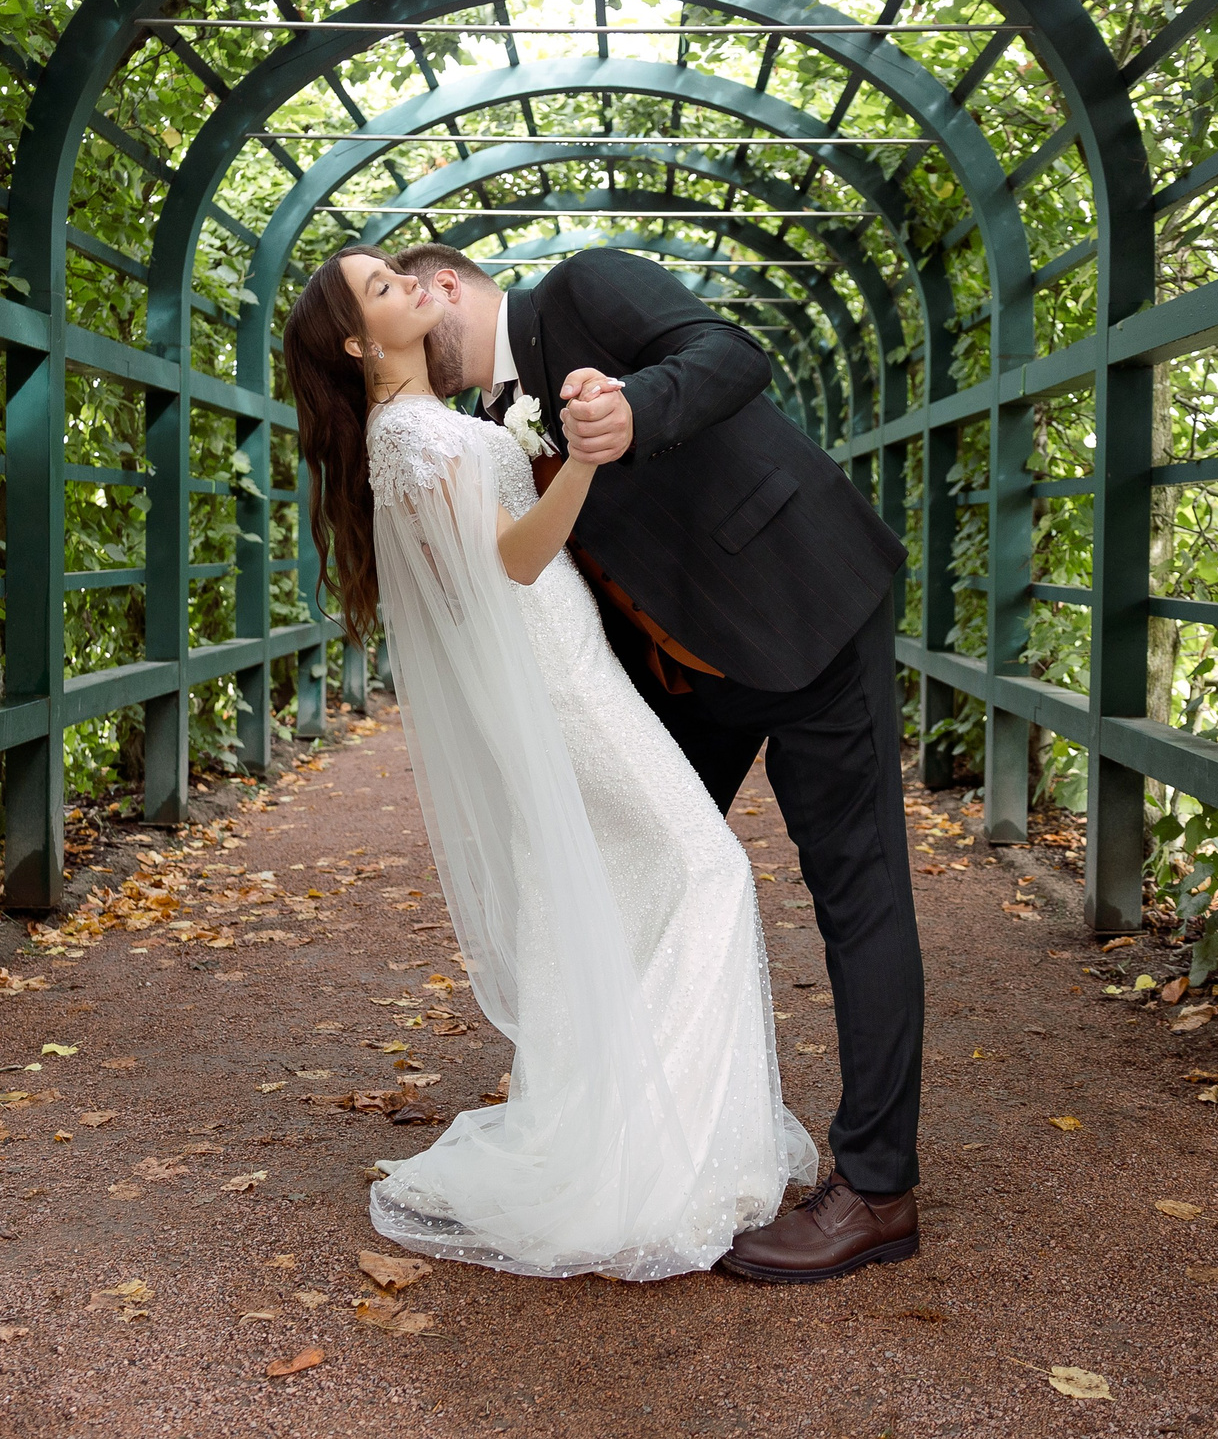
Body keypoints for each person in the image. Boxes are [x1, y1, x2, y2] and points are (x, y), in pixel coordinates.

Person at [289, 238, 922, 1285]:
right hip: (674, 670)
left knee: (856, 894)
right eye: (376, 294)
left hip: (802, 607)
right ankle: (633, 1140)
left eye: (404, 284)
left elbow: (729, 355)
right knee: (618, 881)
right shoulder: (464, 420)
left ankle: (877, 1188)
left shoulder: (582, 290)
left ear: (443, 287)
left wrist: (634, 410)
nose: (405, 308)